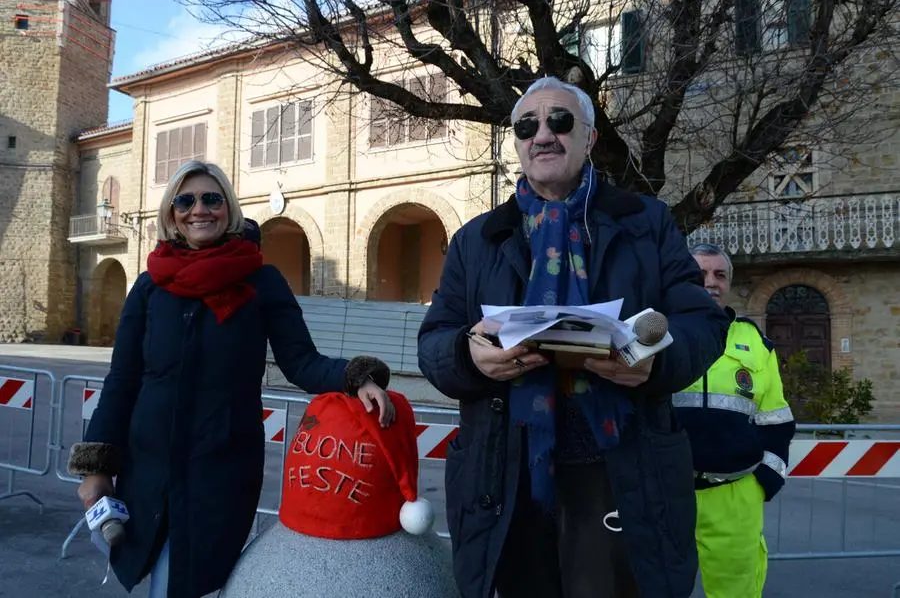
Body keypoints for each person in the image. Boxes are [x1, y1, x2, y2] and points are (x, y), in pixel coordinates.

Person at [417, 76, 731, 598]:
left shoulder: (645, 223)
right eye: (527, 125)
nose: (543, 135)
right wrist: (467, 356)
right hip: (508, 480)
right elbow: (434, 343)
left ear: (588, 139)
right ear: (516, 142)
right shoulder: (478, 238)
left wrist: (653, 355)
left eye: (560, 121)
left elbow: (703, 323)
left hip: (620, 475)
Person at [66, 160, 396, 598]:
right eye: (185, 201)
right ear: (171, 214)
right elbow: (123, 380)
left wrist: (357, 378)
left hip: (220, 468)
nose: (198, 209)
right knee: (161, 576)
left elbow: (301, 361)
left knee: (195, 579)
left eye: (211, 199)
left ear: (228, 208)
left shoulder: (261, 281)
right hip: (148, 466)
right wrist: (97, 468)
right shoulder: (149, 287)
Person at [676, 243, 796, 598]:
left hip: (734, 493)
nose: (710, 282)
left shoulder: (756, 343)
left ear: (729, 282)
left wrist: (766, 479)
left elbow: (776, 419)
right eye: (700, 274)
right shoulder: (655, 330)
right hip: (666, 492)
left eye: (720, 274)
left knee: (737, 592)